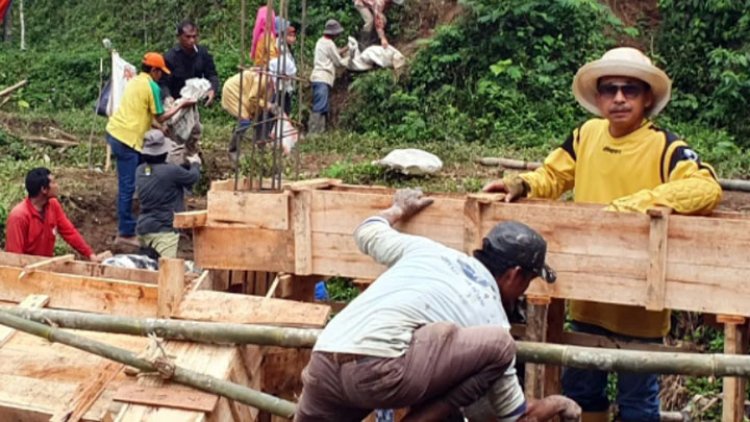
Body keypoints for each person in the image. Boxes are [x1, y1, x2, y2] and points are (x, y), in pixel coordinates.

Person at [483, 47, 722, 422]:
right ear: (598, 97)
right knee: (582, 395)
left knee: (639, 403)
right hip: (588, 300)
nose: (619, 98)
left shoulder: (664, 146)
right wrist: (520, 184)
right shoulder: (586, 136)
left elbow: (706, 187)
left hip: (641, 308)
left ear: (647, 99)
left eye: (630, 89)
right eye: (610, 89)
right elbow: (552, 176)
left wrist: (636, 204)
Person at [295, 188, 581, 421]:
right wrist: (558, 403)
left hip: (325, 361)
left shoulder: (427, 250)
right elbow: (517, 418)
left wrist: (399, 209)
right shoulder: (491, 315)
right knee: (501, 345)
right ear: (514, 274)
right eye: (528, 280)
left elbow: (366, 232)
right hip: (382, 372)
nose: (524, 291)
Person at [105, 52, 195, 247]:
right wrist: (181, 105)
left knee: (143, 174)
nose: (161, 76)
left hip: (117, 132)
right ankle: (126, 232)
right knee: (127, 186)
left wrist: (158, 128)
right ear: (153, 70)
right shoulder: (151, 86)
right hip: (126, 139)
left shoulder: (136, 81)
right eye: (160, 72)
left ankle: (142, 218)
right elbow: (161, 116)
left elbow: (145, 114)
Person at [5, 167, 99, 261]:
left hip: (45, 268)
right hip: (26, 271)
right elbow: (14, 258)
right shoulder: (19, 217)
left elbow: (69, 232)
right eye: (53, 183)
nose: (57, 185)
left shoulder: (53, 205)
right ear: (44, 189)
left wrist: (90, 254)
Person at [135, 132, 201, 259]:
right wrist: (195, 164)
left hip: (143, 228)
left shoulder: (140, 170)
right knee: (166, 270)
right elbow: (193, 177)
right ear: (165, 152)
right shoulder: (171, 171)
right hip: (165, 230)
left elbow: (160, 177)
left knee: (147, 269)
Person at [162, 19, 221, 154]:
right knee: (173, 134)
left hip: (192, 102)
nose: (192, 40)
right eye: (187, 37)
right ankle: (173, 161)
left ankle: (191, 158)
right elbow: (162, 82)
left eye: (194, 36)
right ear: (179, 37)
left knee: (194, 131)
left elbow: (212, 74)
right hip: (175, 102)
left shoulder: (203, 54)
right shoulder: (170, 57)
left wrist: (212, 89)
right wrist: (167, 97)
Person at [221, 68, 276, 160]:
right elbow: (253, 98)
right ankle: (233, 150)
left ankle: (259, 144)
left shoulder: (270, 83)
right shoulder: (262, 80)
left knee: (253, 117)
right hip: (233, 91)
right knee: (245, 121)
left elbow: (260, 101)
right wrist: (268, 105)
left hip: (244, 93)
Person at [309, 19, 350, 134]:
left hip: (317, 77)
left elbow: (334, 52)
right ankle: (313, 134)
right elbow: (338, 62)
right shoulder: (330, 44)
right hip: (323, 77)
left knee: (322, 106)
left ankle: (318, 133)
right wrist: (349, 59)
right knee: (320, 106)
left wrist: (345, 48)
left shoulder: (320, 41)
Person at [269, 20, 298, 115]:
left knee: (285, 110)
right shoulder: (278, 43)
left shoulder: (285, 45)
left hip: (285, 85)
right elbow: (278, 63)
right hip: (279, 84)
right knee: (280, 110)